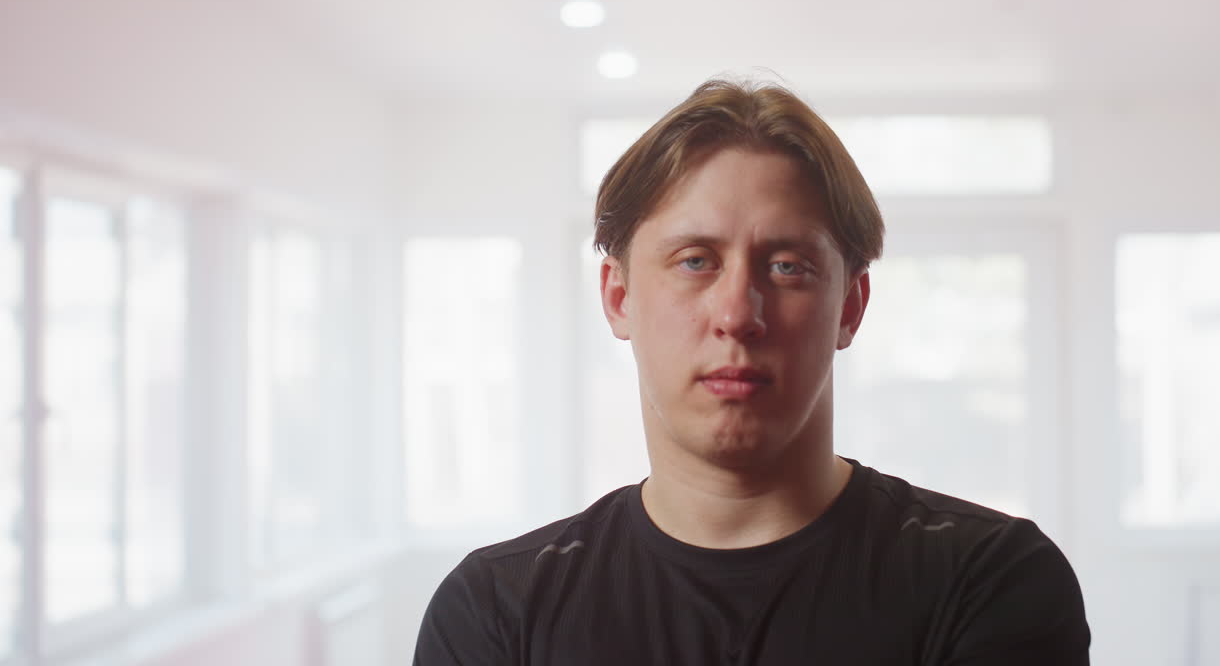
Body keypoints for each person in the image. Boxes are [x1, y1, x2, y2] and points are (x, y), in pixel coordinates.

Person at [412, 78, 1090, 665]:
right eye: (695, 261)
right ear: (619, 298)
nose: (738, 313)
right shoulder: (496, 611)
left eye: (787, 266)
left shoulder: (987, 581)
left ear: (850, 306)